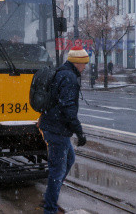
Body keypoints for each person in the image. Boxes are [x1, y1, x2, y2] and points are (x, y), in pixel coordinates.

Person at [39, 46, 88, 214]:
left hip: (54, 126)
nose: (85, 67)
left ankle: (50, 197)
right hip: (57, 129)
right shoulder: (69, 77)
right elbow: (68, 108)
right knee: (57, 170)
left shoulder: (62, 72)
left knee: (68, 161)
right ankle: (50, 208)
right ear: (77, 62)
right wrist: (79, 132)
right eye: (84, 63)